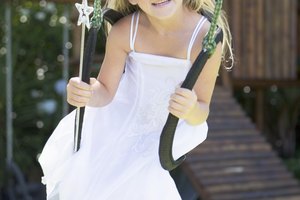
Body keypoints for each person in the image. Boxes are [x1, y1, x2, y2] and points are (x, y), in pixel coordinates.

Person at [39, 0, 233, 199]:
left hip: (156, 138)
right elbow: (105, 90)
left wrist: (190, 108)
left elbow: (202, 110)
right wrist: (87, 92)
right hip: (113, 125)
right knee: (93, 185)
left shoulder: (204, 38)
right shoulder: (125, 31)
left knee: (143, 182)